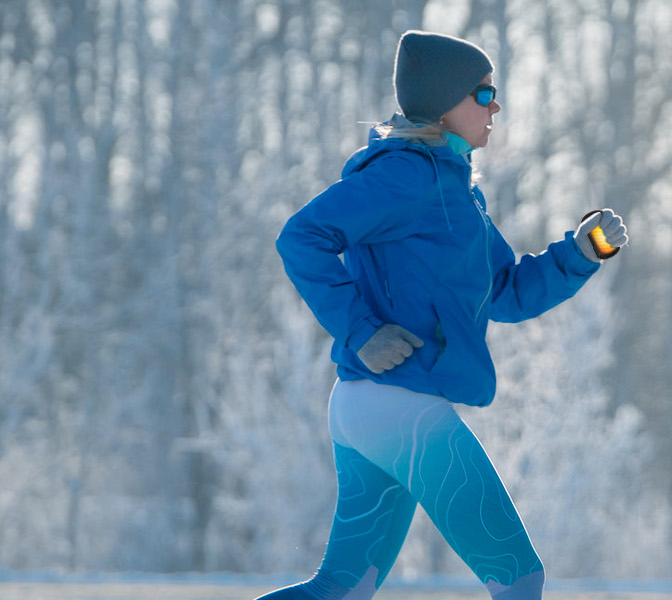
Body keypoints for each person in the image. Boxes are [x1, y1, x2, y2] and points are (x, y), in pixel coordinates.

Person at [257, 30, 628, 600]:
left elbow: (503, 292)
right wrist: (361, 331)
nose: (495, 105)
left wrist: (579, 254)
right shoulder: (406, 176)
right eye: (482, 94)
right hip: (397, 405)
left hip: (371, 405)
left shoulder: (454, 191)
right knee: (518, 577)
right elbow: (301, 237)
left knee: (341, 589)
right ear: (442, 102)